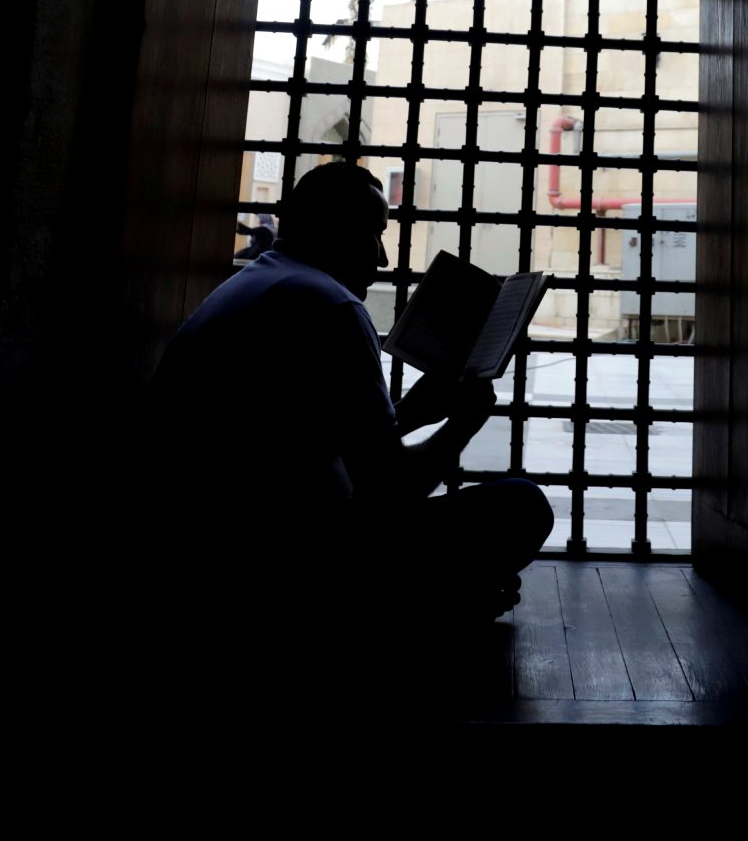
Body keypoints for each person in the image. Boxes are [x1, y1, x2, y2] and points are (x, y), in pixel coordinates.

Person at [145, 161, 551, 678]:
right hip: (297, 568)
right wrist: (461, 425)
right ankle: (396, 617)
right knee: (521, 504)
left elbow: (302, 437)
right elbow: (390, 490)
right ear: (332, 228)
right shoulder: (332, 305)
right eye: (374, 233)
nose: (382, 257)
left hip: (208, 559)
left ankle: (438, 601)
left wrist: (410, 415)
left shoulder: (262, 282)